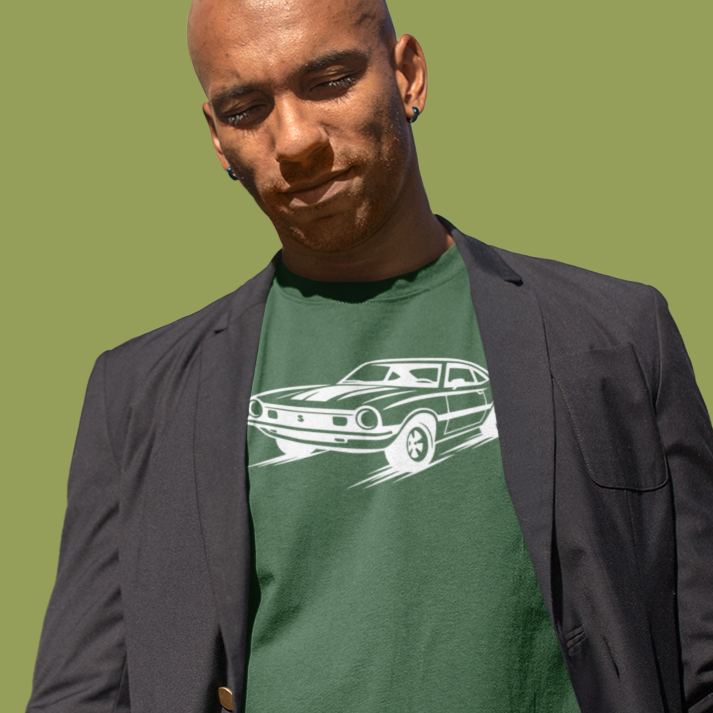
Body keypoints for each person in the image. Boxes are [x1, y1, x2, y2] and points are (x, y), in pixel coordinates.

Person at [27, 0, 713, 711]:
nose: (295, 140)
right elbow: (83, 694)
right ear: (218, 139)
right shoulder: (138, 393)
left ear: (407, 75)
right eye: (246, 109)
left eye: (328, 82)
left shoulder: (613, 336)